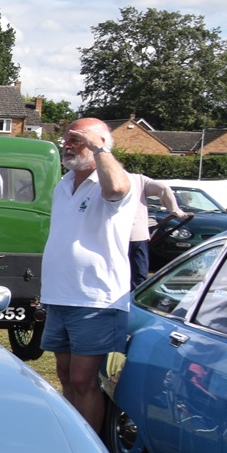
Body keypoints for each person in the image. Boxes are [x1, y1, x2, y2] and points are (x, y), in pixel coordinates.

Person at [41, 117, 139, 430]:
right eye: (67, 139)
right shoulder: (64, 183)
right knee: (66, 375)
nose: (67, 145)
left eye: (77, 140)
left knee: (84, 379)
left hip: (96, 298)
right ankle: (72, 440)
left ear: (100, 144)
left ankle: (91, 448)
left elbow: (117, 189)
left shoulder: (113, 180)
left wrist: (98, 148)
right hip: (61, 295)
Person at [130, 175, 185, 286]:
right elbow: (163, 187)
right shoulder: (137, 179)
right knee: (138, 275)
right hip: (135, 234)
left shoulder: (99, 180)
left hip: (110, 236)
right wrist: (175, 210)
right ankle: (136, 293)